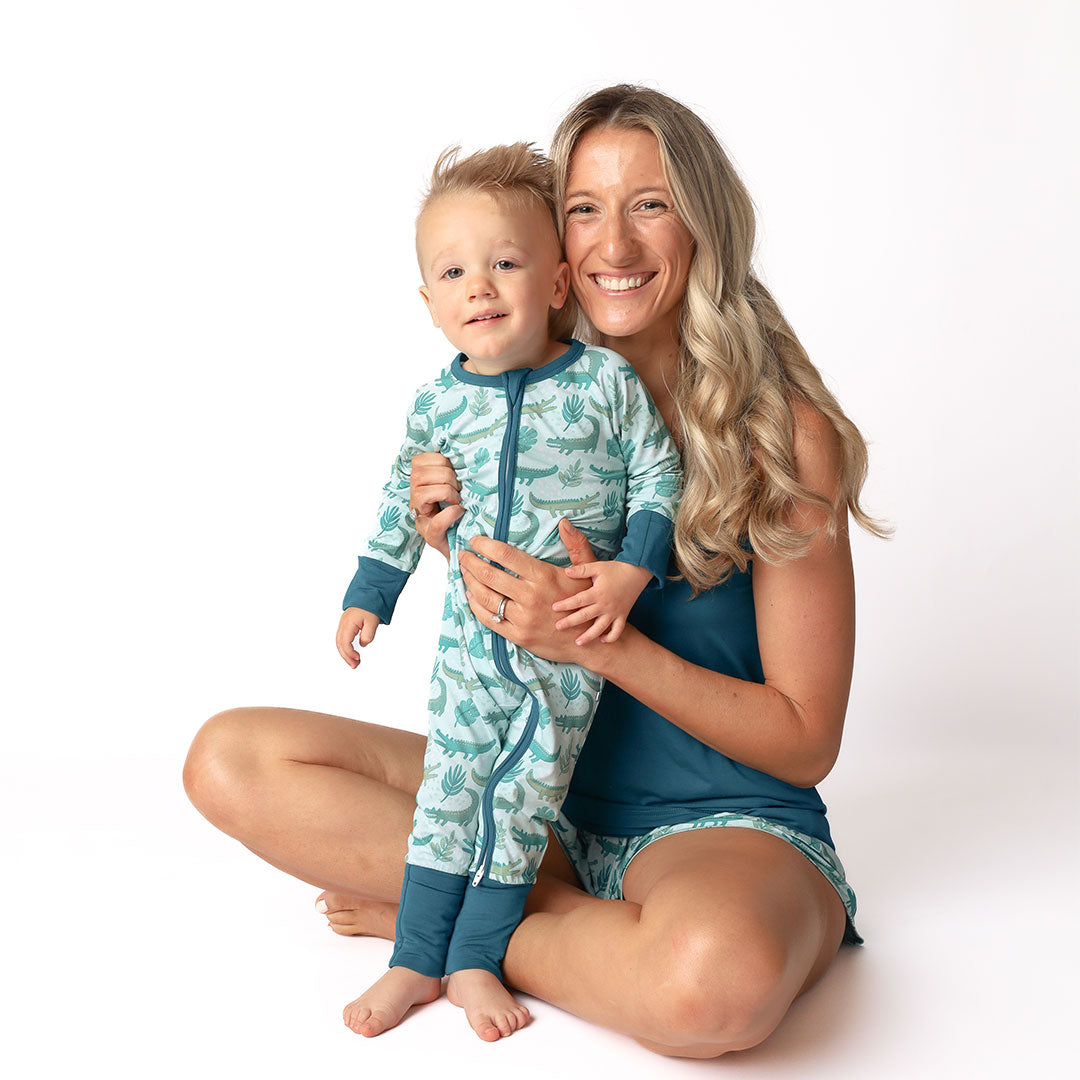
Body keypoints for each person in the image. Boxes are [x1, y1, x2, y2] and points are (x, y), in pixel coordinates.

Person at [183, 84, 889, 1058]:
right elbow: (489, 609)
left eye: (651, 203)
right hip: (535, 798)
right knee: (232, 760)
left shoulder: (787, 439)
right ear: (553, 249)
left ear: (705, 222)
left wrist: (601, 642)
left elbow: (807, 741)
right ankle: (526, 907)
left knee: (708, 988)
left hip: (720, 826)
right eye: (585, 209)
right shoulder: (518, 392)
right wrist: (451, 545)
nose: (616, 244)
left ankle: (455, 924)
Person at [337, 142, 681, 1037]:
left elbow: (659, 475)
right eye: (454, 272)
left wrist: (632, 568)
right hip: (468, 646)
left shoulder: (604, 384)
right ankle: (415, 957)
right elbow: (397, 501)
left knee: (521, 804)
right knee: (448, 792)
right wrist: (372, 591)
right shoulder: (437, 406)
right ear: (429, 303)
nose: (480, 287)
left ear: (560, 283)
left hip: (567, 653)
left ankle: (476, 961)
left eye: (505, 263)